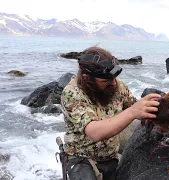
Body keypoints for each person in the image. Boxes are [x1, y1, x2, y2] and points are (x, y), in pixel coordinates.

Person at [60, 46, 161, 180]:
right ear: (87, 78)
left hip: (110, 157)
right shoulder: (72, 94)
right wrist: (132, 112)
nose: (114, 83)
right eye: (106, 81)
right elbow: (95, 132)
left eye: (114, 78)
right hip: (81, 158)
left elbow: (137, 107)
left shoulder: (116, 85)